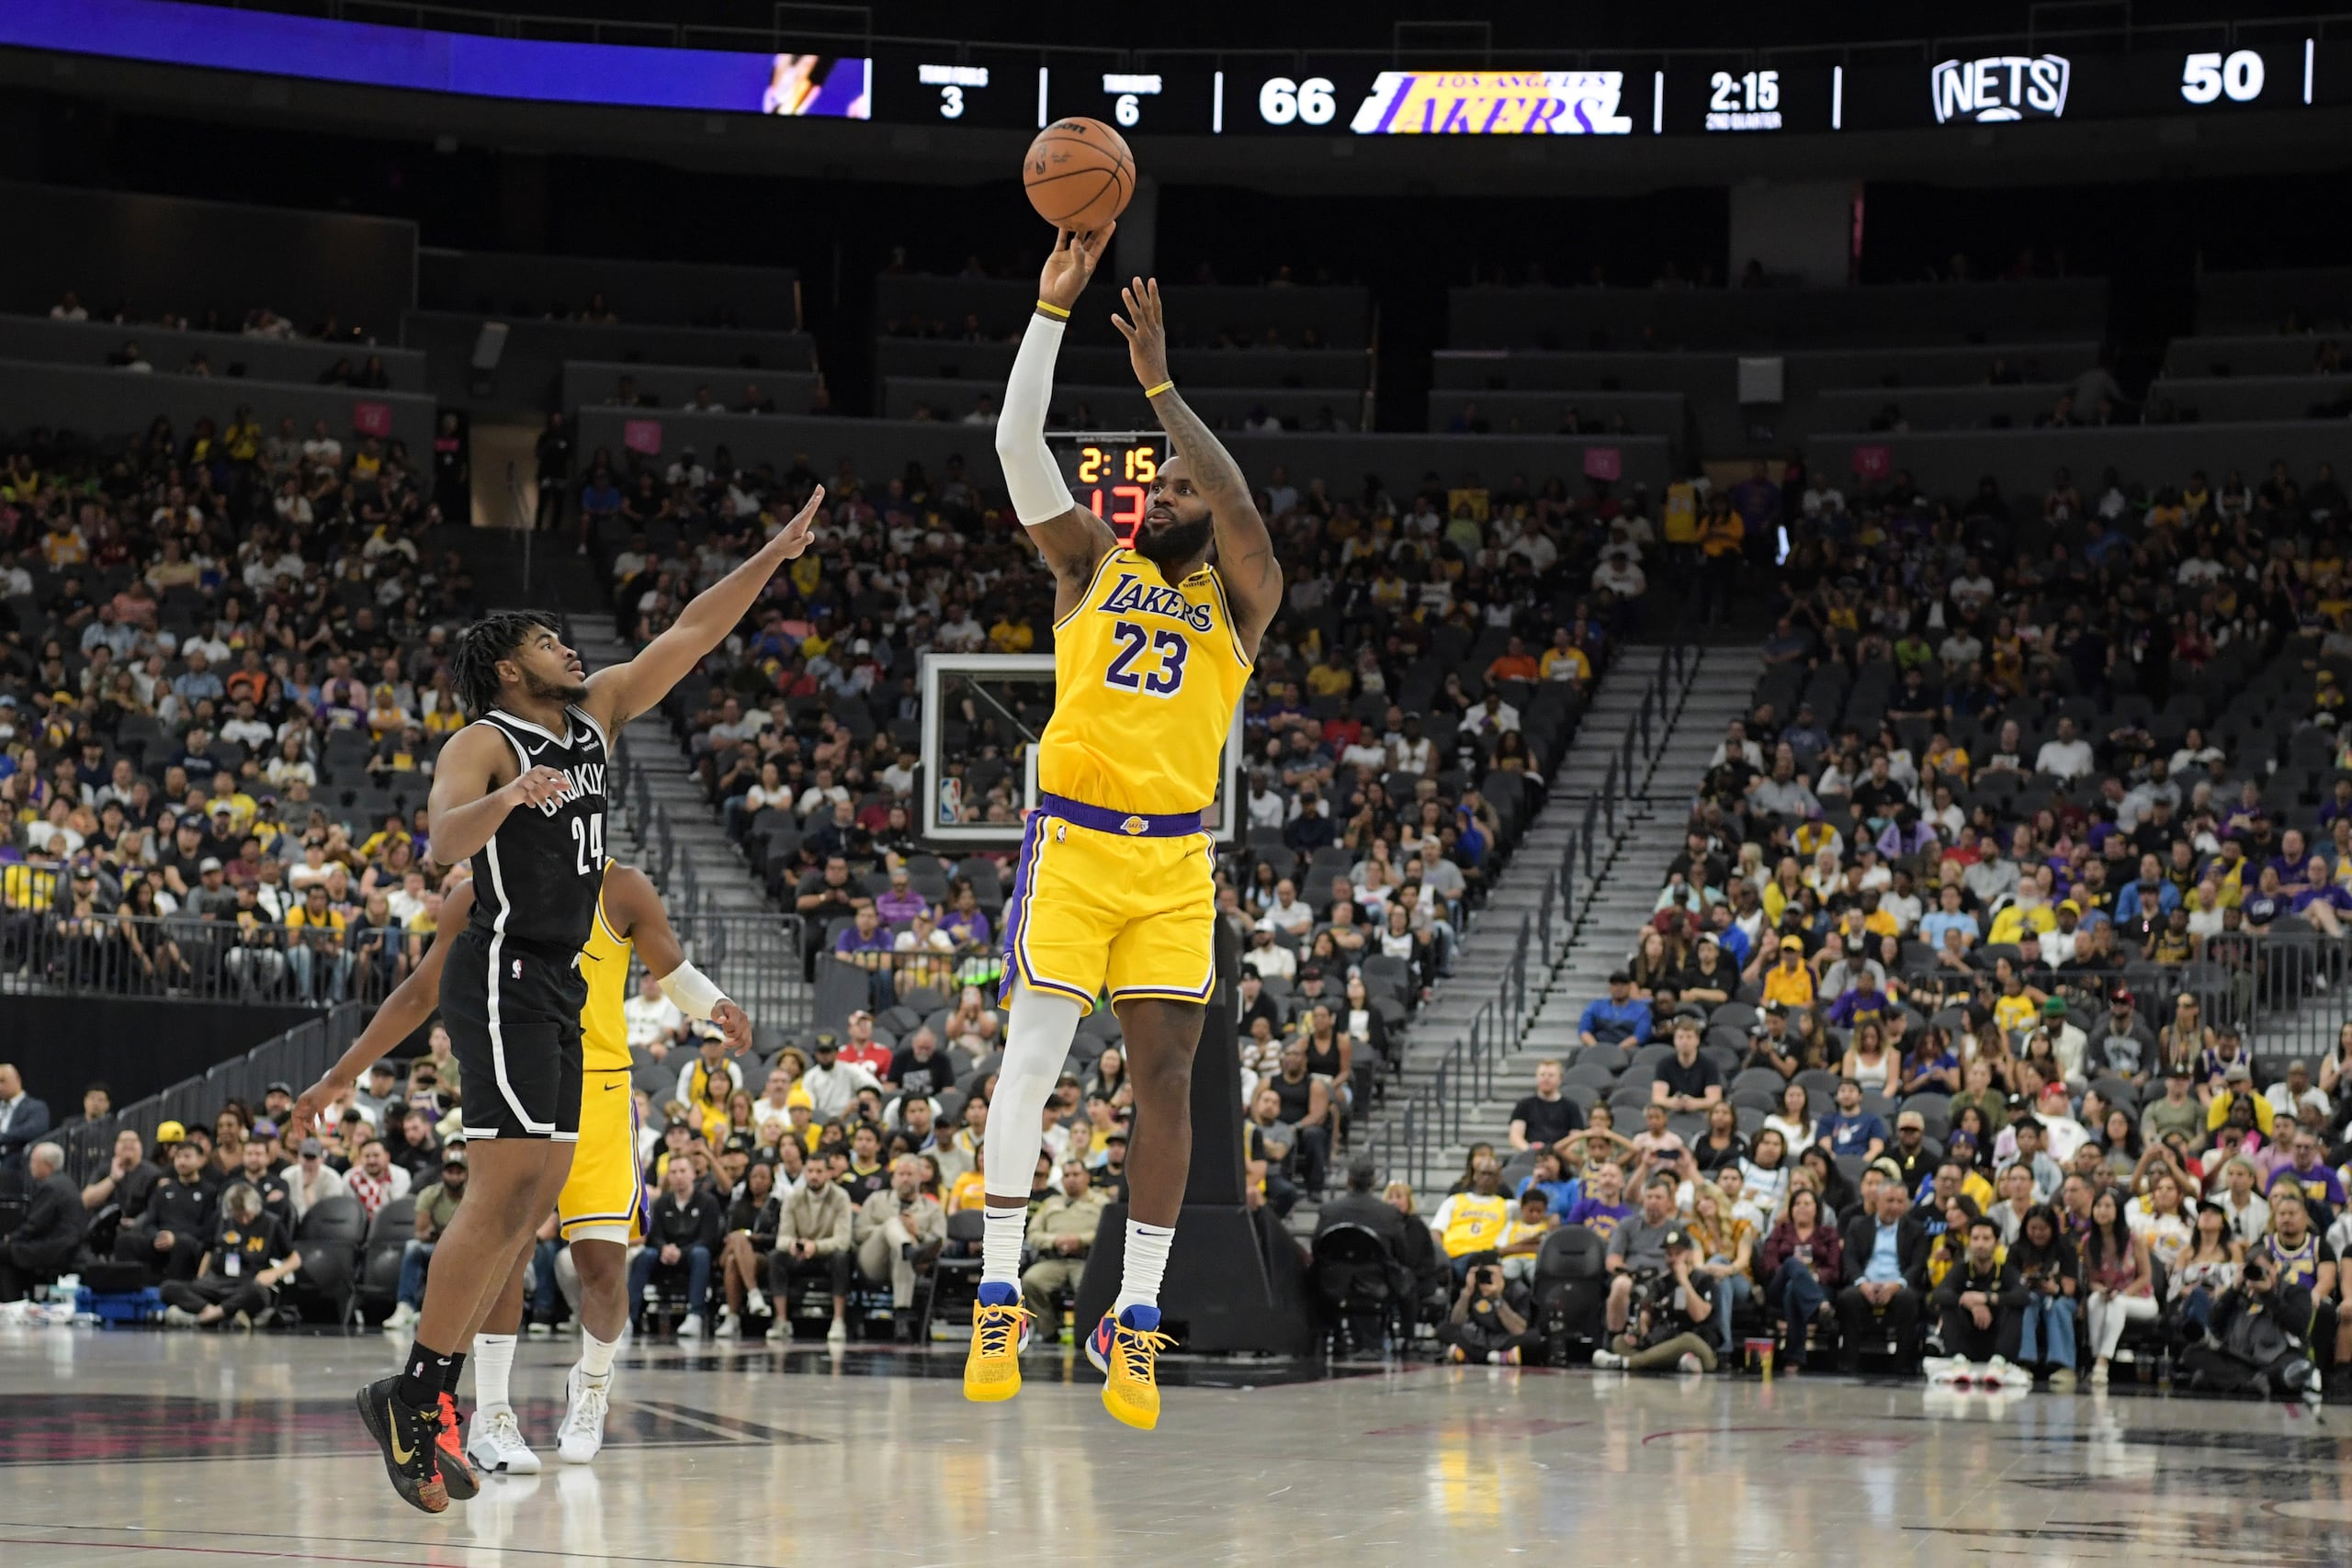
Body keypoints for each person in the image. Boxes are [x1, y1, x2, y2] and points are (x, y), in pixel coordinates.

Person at [353, 486, 822, 1514]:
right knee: (503, 1195)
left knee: (533, 1196)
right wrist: (506, 801)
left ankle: (429, 1395)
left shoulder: (601, 713)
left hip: (562, 983)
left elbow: (694, 632)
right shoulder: (485, 741)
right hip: (506, 972)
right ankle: (421, 1396)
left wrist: (772, 556)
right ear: (510, 667)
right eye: (548, 643)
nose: (572, 650)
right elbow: (438, 841)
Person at [971, 231, 1282, 1432]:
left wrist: (1162, 384)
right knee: (1036, 1058)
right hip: (1074, 844)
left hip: (1171, 860)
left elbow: (1243, 502)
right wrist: (1050, 312)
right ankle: (999, 1284)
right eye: (1155, 479)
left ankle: (1135, 1318)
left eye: (1179, 485)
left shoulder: (1243, 598)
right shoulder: (1090, 560)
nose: (1160, 488)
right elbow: (1015, 449)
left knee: (1167, 1081)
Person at [294, 861, 747, 1475]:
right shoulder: (474, 896)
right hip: (517, 1084)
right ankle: (493, 1414)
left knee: (603, 1267)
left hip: (602, 1091)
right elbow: (419, 992)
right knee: (501, 1246)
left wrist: (716, 1003)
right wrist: (339, 1075)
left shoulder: (621, 886)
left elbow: (672, 969)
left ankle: (590, 1386)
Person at [159, 1181, 301, 1328]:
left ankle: (209, 1316)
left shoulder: (271, 1223)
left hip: (247, 1284)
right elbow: (209, 1251)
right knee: (168, 1288)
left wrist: (274, 1273)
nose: (244, 1220)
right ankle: (214, 1313)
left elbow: (295, 1259)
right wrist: (200, 1278)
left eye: (247, 1215)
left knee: (259, 1294)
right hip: (216, 1282)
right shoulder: (221, 1219)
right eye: (238, 1216)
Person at [1590, 1226, 1719, 1372]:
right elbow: (1647, 1317)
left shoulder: (1703, 1280)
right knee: (1619, 1342)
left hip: (1697, 1345)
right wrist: (1638, 1333)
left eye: (1678, 1253)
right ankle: (1667, 1363)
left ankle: (1627, 1363)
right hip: (1663, 1342)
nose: (1673, 1259)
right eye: (1669, 1254)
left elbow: (1700, 1315)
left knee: (1687, 1340)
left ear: (1689, 1254)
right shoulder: (1660, 1283)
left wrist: (1683, 1280)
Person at [1837, 1180, 1927, 1370]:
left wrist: (1895, 1286)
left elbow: (1917, 1265)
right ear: (1878, 1201)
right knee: (1848, 1298)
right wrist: (1863, 1284)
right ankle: (1849, 1364)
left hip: (1898, 1286)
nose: (1895, 1206)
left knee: (1908, 1298)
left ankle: (1903, 1365)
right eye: (1890, 1200)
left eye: (1900, 1202)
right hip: (1866, 1284)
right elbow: (1850, 1259)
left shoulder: (1916, 1230)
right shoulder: (1857, 1225)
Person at [856, 1155, 947, 1339]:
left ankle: (901, 1319)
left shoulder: (933, 1208)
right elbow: (858, 1233)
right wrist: (887, 1231)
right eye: (901, 1174)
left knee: (905, 1250)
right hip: (874, 1262)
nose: (905, 1178)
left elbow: (941, 1243)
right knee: (893, 1224)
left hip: (908, 1267)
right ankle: (907, 1247)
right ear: (893, 1177)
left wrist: (918, 1232)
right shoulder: (876, 1199)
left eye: (910, 1174)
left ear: (920, 1177)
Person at [768, 1150, 855, 1340]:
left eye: (819, 1171)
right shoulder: (793, 1197)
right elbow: (782, 1238)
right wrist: (794, 1244)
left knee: (842, 1257)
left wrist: (815, 1246)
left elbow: (843, 1240)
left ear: (829, 1173)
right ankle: (781, 1320)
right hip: (800, 1254)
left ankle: (838, 1321)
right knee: (776, 1257)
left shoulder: (841, 1196)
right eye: (810, 1171)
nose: (814, 1176)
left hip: (826, 1255)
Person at [1021, 1159, 1108, 1343]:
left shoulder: (1101, 1203)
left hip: (1086, 1261)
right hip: (1054, 1259)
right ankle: (1048, 1331)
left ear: (1087, 1177)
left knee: (1089, 1289)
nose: (1071, 1180)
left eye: (1076, 1174)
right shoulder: (1050, 1203)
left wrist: (1081, 1240)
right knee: (1030, 1281)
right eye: (1066, 1175)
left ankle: (1088, 1335)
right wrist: (1054, 1241)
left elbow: (1109, 1233)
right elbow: (1033, 1233)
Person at [1758, 1186, 1842, 1370]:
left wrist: (1810, 1277)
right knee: (1791, 1264)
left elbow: (1834, 1270)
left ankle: (1794, 1358)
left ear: (1817, 1209)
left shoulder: (1828, 1233)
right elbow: (1769, 1264)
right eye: (1797, 1204)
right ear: (1790, 1209)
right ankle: (1821, 1306)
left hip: (1818, 1285)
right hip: (1778, 1285)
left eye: (1807, 1204)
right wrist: (1795, 1271)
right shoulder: (1780, 1231)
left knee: (1793, 1290)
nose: (1802, 1208)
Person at [2080, 1187, 2156, 1387]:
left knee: (2118, 1303)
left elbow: (2146, 1276)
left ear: (2118, 1210)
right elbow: (2092, 1279)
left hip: (2141, 1299)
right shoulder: (2089, 1241)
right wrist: (2101, 1290)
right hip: (2108, 1295)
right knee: (2094, 1300)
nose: (2102, 1211)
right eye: (2098, 1206)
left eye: (2107, 1206)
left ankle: (2102, 1361)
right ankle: (2097, 1358)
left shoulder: (2134, 1238)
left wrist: (2122, 1294)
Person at [389, 1149, 469, 1334]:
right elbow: (421, 1232)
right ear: (443, 1173)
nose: (454, 1177)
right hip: (437, 1244)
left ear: (466, 1174)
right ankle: (405, 1306)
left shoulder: (473, 1196)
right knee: (413, 1247)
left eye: (459, 1172)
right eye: (450, 1172)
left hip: (465, 1249)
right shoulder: (429, 1194)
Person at [1929, 1216, 2024, 1368]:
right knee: (1948, 1303)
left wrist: (1986, 1298)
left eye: (1986, 1238)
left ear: (1996, 1243)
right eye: (1975, 1238)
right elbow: (1937, 1295)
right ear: (1969, 1242)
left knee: (2015, 1306)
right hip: (1967, 1340)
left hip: (1997, 1340)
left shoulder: (2006, 1271)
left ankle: (2000, 1360)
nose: (1980, 1244)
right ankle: (1957, 1358)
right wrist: (1968, 1302)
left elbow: (2023, 1295)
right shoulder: (1961, 1269)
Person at [2007, 1202, 2080, 1385]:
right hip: (2028, 1295)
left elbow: (2071, 1287)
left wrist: (2055, 1289)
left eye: (2043, 1229)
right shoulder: (2017, 1249)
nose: (2038, 1233)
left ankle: (2064, 1365)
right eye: (2033, 1228)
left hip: (2060, 1297)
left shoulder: (2065, 1247)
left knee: (2058, 1307)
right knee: (2027, 1301)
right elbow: (2009, 1282)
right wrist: (2025, 1283)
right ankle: (2023, 1361)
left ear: (2052, 1228)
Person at [0, 1143, 83, 1302]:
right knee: (10, 1251)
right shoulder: (64, 1182)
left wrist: (11, 1238)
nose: (30, 1167)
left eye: (33, 1161)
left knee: (4, 1252)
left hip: (56, 1247)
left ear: (46, 1164)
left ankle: (12, 1302)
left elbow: (35, 1225)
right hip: (65, 1244)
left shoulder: (50, 1187)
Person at [1442, 1260, 1540, 1365]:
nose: (1486, 1277)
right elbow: (1456, 1322)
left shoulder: (1516, 1289)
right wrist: (1466, 1293)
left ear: (1501, 1270)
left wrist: (1497, 1299)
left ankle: (1473, 1356)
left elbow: (1519, 1330)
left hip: (1506, 1338)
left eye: (1490, 1273)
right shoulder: (1471, 1288)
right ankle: (1499, 1357)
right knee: (1443, 1329)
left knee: (1533, 1338)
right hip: (1477, 1338)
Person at [1508, 1059, 1585, 1151]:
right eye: (1542, 1075)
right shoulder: (1524, 1105)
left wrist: (1559, 1155)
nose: (1546, 1078)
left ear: (1560, 1079)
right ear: (1537, 1077)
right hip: (1530, 1156)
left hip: (1561, 1157)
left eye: (1551, 1075)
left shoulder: (1571, 1106)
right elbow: (1515, 1137)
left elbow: (1576, 1138)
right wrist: (1530, 1151)